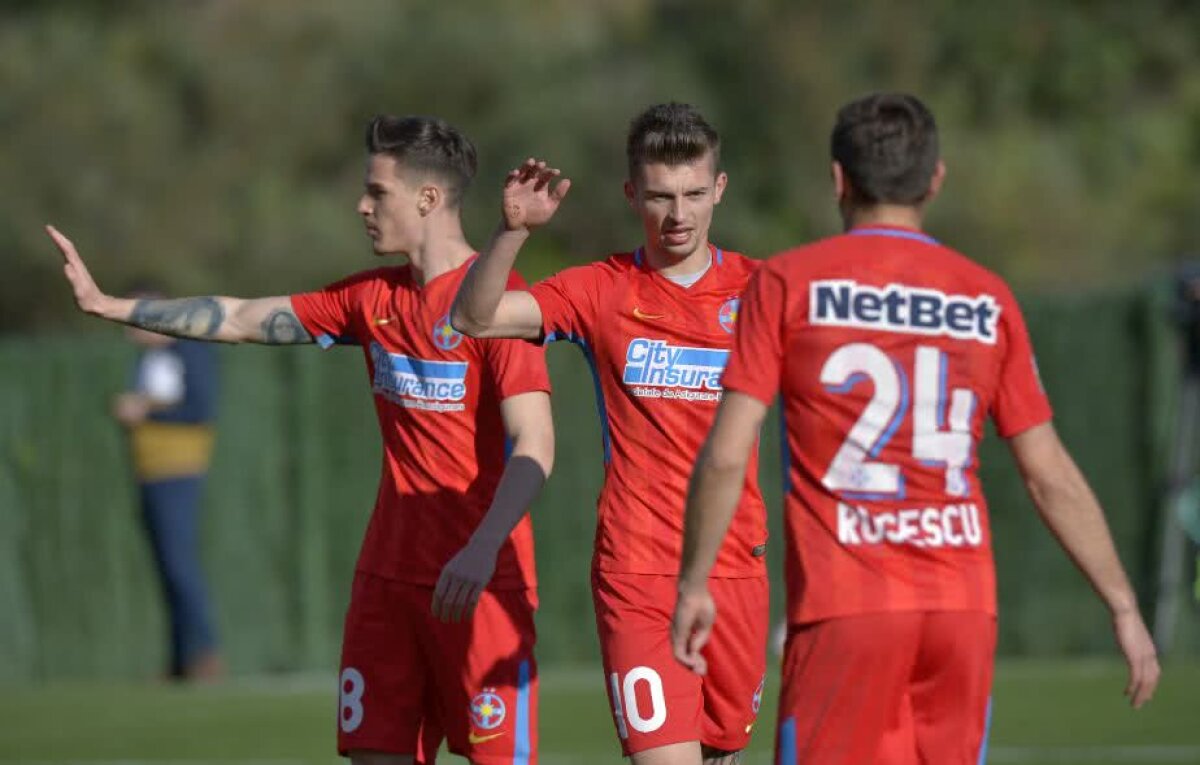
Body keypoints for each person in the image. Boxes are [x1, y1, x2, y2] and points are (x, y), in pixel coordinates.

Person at [48, 115, 554, 765]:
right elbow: (239, 316)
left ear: (428, 198)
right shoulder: (370, 298)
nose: (362, 205)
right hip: (386, 583)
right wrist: (110, 305)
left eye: (377, 191)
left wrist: (482, 548)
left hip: (479, 583)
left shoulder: (499, 305)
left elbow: (535, 444)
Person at [671, 93, 1162, 764]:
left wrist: (694, 581)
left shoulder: (787, 283)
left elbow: (728, 456)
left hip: (846, 605)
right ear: (935, 179)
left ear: (839, 179)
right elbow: (1049, 474)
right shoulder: (986, 296)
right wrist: (1124, 606)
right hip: (962, 611)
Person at [452, 103, 768, 765]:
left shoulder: (763, 291)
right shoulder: (601, 289)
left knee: (723, 757)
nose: (677, 214)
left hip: (737, 566)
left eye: (693, 194)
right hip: (638, 568)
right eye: (659, 196)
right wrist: (511, 233)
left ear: (719, 188)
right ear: (631, 194)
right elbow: (474, 320)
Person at [116, 287, 223, 682]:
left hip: (178, 470)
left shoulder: (189, 351)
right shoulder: (148, 358)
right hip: (150, 470)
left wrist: (144, 412)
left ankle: (205, 652)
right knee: (167, 566)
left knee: (179, 563)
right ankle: (181, 660)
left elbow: (199, 407)